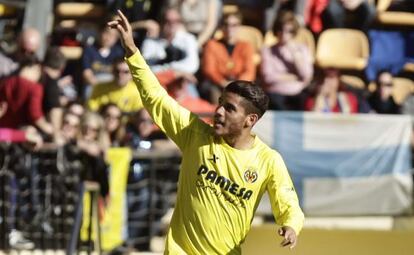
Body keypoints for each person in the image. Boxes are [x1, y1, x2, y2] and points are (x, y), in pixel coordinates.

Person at [109, 10, 304, 254]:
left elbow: (288, 202)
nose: (219, 111)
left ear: (250, 120)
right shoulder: (195, 134)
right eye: (220, 102)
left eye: (229, 108)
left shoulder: (268, 160)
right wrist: (132, 51)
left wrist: (291, 225)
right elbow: (157, 99)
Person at [260, 11, 313, 111]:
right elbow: (268, 77)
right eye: (281, 30)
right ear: (276, 30)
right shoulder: (267, 50)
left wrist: (295, 53)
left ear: (294, 32)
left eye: (289, 31)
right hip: (275, 94)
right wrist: (295, 77)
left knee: (306, 101)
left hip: (297, 93)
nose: (284, 34)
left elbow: (306, 76)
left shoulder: (302, 49)